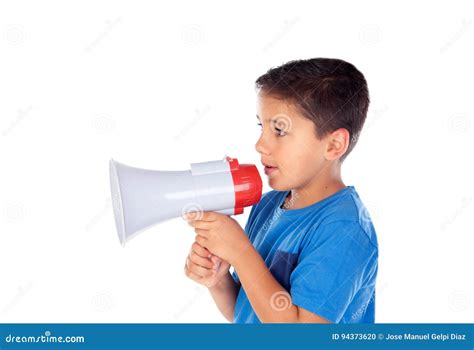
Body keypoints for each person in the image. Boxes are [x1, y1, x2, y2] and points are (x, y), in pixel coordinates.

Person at [184, 58, 378, 323]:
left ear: (333, 145)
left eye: (279, 130)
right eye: (261, 127)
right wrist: (218, 282)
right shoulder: (267, 206)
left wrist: (241, 252)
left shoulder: (344, 229)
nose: (260, 145)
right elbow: (250, 314)